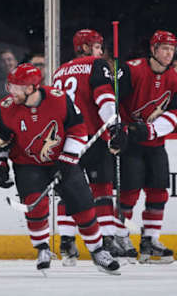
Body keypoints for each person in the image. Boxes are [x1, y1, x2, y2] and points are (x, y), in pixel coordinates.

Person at [0, 63, 120, 275]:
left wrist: (67, 158)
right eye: (11, 86)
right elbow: (1, 140)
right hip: (27, 164)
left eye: (16, 87)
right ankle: (43, 249)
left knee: (84, 207)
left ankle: (97, 251)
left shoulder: (59, 99)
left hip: (62, 159)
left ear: (31, 88)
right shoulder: (6, 107)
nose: (11, 91)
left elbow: (78, 129)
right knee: (35, 207)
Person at [52, 29, 130, 265]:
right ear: (84, 48)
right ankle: (106, 239)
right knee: (101, 189)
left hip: (65, 139)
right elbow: (104, 98)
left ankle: (66, 242)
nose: (100, 51)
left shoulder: (59, 70)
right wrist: (114, 126)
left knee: (69, 190)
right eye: (97, 46)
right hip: (92, 135)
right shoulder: (96, 65)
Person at [111, 30, 177, 264]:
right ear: (153, 50)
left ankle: (150, 240)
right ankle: (120, 238)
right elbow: (110, 100)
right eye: (164, 48)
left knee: (158, 192)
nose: (168, 53)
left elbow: (174, 114)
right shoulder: (132, 70)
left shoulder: (176, 79)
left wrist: (151, 130)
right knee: (129, 193)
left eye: (172, 49)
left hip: (155, 144)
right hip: (129, 142)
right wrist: (117, 128)